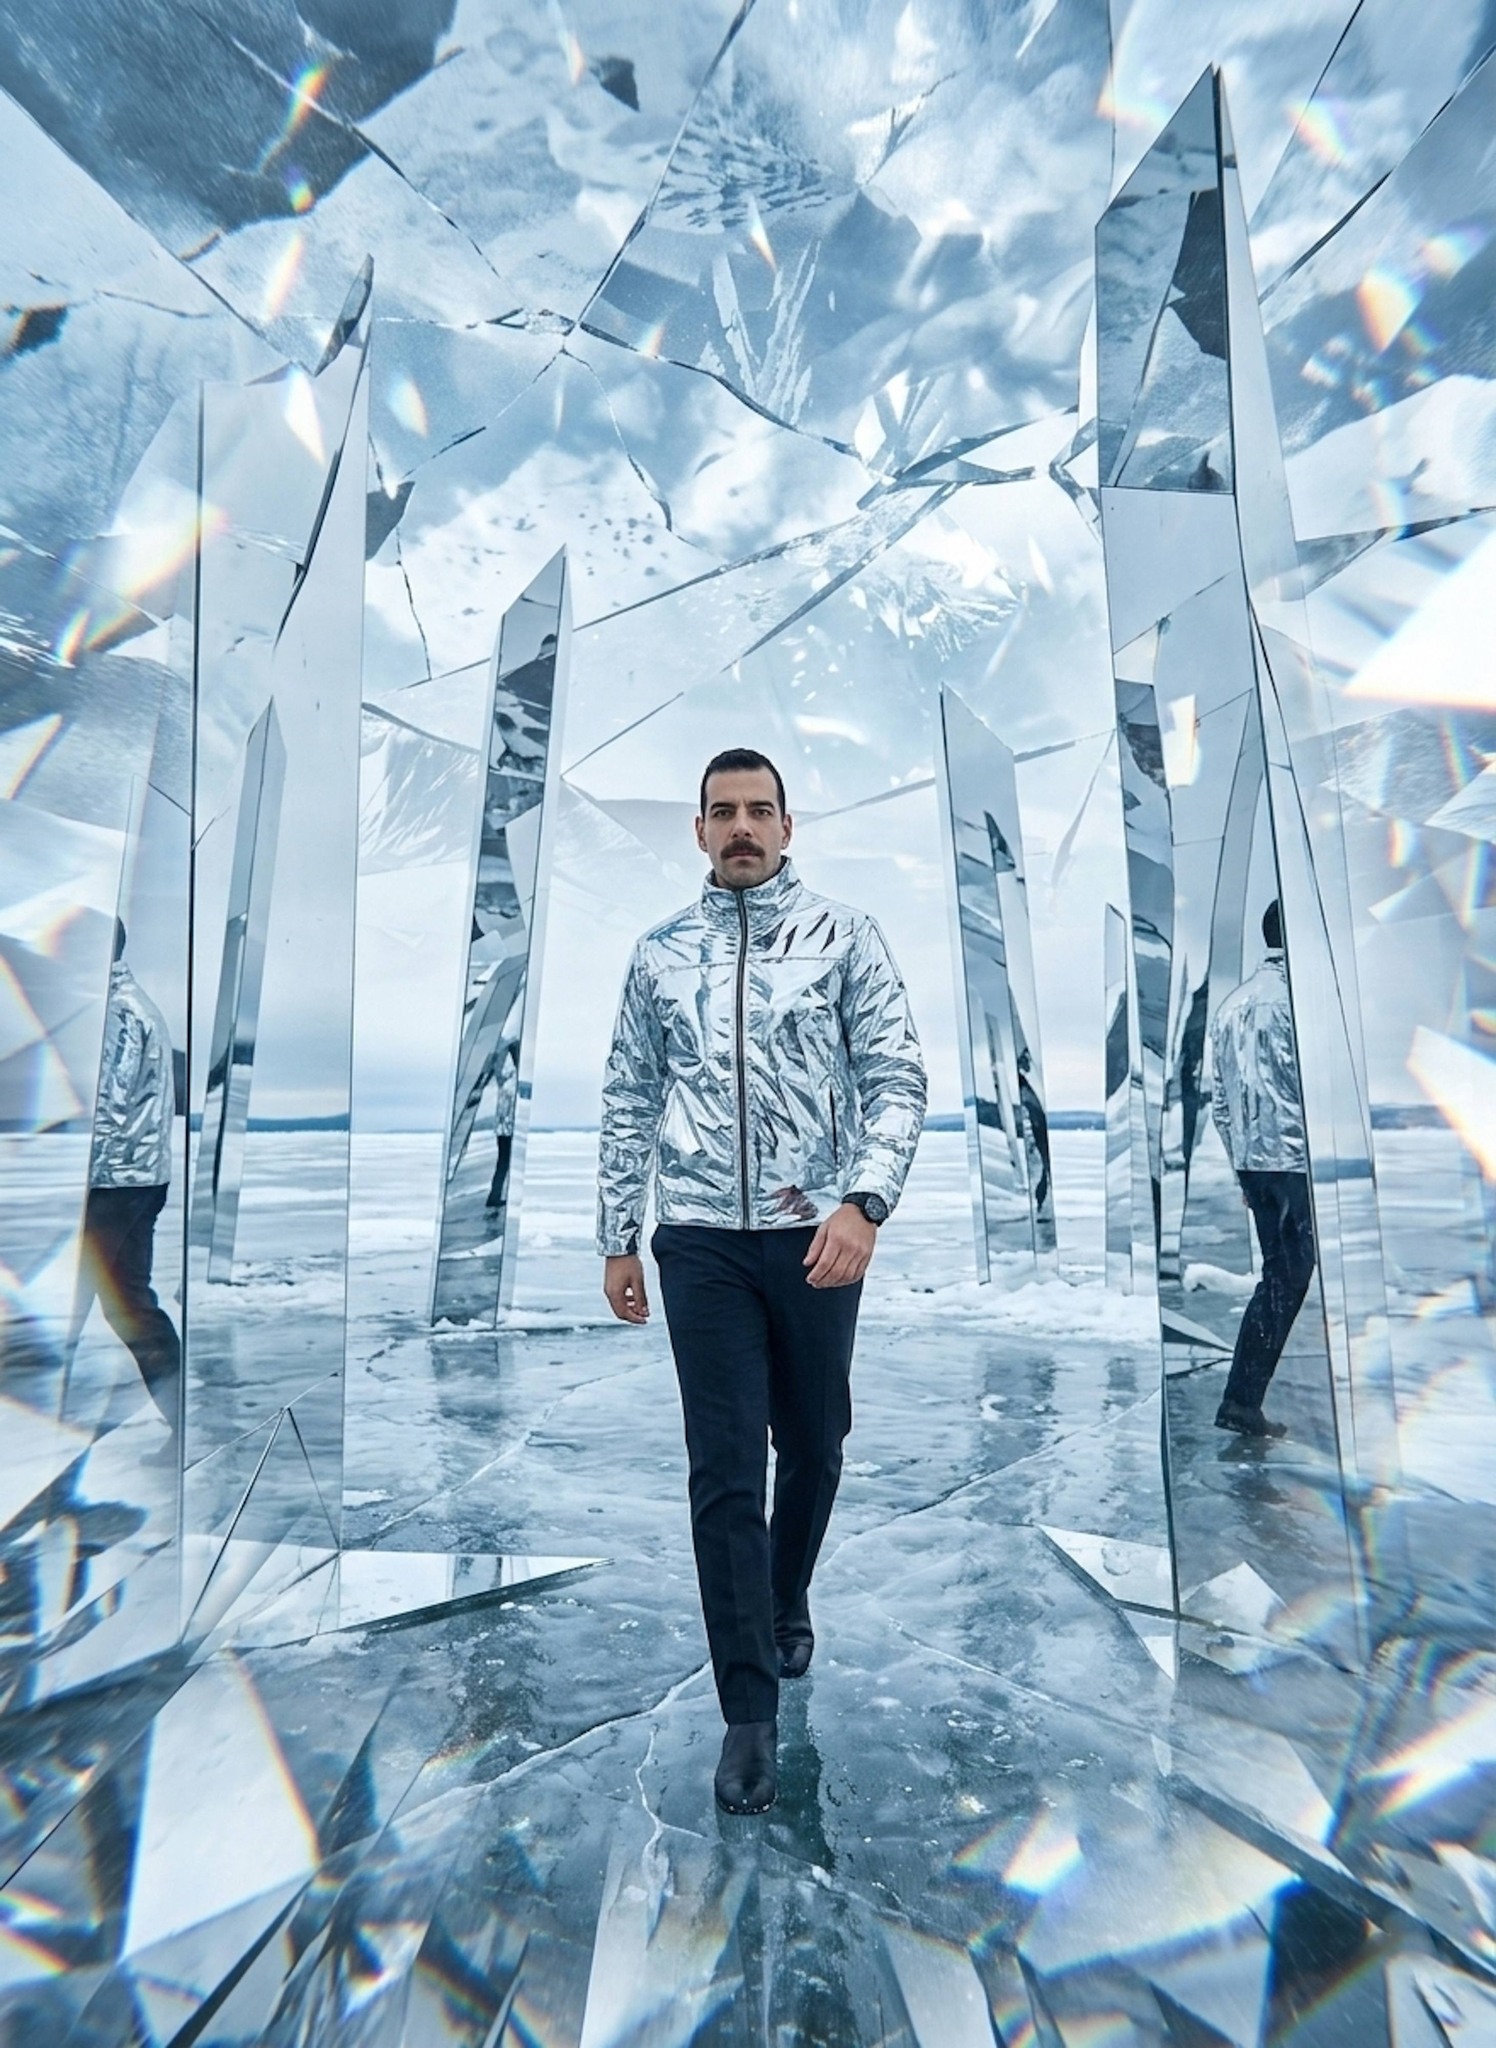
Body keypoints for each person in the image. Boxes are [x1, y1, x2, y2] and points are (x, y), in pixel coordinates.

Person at [598, 749, 927, 1814]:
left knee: (815, 1440)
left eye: (757, 810)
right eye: (720, 812)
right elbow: (627, 1097)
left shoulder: (845, 937)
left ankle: (785, 1594)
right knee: (724, 1464)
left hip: (814, 1234)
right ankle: (748, 1705)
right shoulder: (657, 957)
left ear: (788, 824)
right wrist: (617, 1233)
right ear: (697, 830)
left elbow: (895, 1076)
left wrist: (862, 1201)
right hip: (696, 1238)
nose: (740, 827)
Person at [1208, 899, 1315, 1440]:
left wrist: (1240, 1168)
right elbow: (1312, 1090)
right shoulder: (1298, 1003)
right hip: (1295, 1163)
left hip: (1256, 1164)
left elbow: (1219, 1102)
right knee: (1286, 1280)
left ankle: (1242, 1401)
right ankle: (1241, 1401)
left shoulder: (1231, 1006)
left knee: (1279, 1277)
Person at [71, 919, 180, 1428]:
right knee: (131, 1305)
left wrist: (74, 1182)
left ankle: (32, 1453)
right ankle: (183, 1424)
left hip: (113, 1183)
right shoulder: (135, 1002)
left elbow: (107, 1107)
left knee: (63, 1312)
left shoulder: (115, 1010)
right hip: (141, 1180)